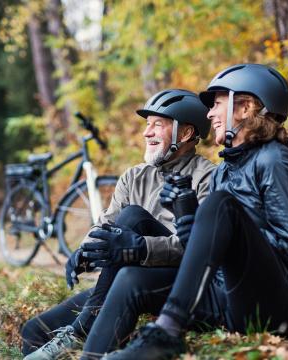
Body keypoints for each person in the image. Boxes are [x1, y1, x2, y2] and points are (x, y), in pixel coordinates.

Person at [81, 64, 288, 360]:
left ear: (245, 107)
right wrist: (189, 219)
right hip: (229, 296)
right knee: (132, 279)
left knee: (221, 204)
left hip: (285, 304)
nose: (209, 114)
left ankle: (167, 332)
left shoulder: (276, 162)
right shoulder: (224, 172)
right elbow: (211, 248)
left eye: (217, 104)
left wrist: (232, 227)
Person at [21, 89, 217, 359]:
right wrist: (86, 250)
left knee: (134, 217)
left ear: (184, 134)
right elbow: (106, 223)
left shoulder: (208, 177)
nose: (146, 133)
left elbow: (202, 247)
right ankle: (79, 329)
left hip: (171, 280)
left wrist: (140, 247)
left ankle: (81, 332)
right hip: (123, 278)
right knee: (33, 330)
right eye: (146, 125)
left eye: (157, 124)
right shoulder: (133, 176)